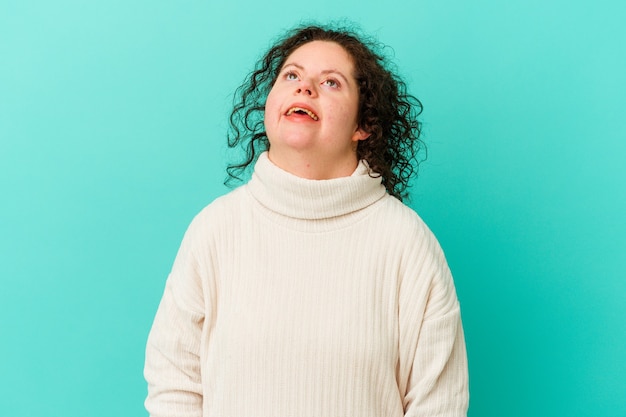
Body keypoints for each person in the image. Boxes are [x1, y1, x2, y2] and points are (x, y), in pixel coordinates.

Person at [144, 24, 469, 417]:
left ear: (363, 125)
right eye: (292, 75)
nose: (305, 88)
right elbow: (173, 385)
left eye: (331, 82)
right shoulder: (215, 230)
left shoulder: (406, 243)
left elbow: (439, 405)